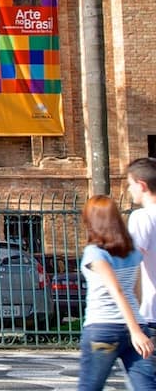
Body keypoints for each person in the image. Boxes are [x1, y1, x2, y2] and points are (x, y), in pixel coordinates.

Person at [78, 196, 156, 391]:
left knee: (90, 386)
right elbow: (136, 291)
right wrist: (136, 327)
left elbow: (117, 291)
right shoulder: (132, 251)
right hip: (136, 324)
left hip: (103, 328)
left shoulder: (95, 252)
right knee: (145, 385)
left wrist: (135, 331)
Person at [127, 158, 156, 326]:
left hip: (152, 311)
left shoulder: (142, 217)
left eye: (130, 184)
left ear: (142, 185)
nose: (129, 189)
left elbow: (133, 263)